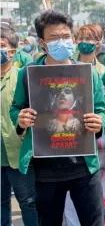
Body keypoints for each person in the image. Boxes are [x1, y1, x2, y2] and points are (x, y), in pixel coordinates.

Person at [9, 9, 105, 226]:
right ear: (43, 43)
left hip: (84, 165)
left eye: (65, 36)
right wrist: (21, 119)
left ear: (72, 38)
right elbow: (16, 109)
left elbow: (101, 109)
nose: (61, 42)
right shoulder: (28, 73)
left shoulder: (88, 73)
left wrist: (100, 121)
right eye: (54, 38)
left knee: (94, 222)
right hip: (45, 168)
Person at [1, 30, 38, 226]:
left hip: (19, 153)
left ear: (13, 51)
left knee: (28, 203)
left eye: (1, 45)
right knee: (1, 204)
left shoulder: (23, 78)